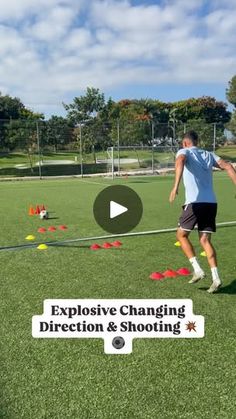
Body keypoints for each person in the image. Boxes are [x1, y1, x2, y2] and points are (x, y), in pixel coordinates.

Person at [169, 130, 236, 293]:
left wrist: (175, 186)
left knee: (181, 235)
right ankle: (216, 278)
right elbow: (228, 166)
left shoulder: (183, 151)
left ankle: (197, 269)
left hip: (194, 203)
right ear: (196, 141)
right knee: (205, 240)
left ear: (185, 143)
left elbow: (180, 162)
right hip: (211, 203)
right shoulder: (209, 154)